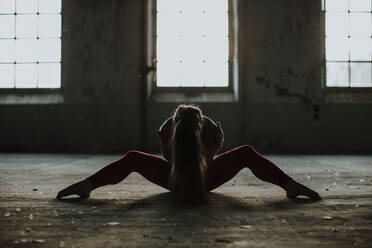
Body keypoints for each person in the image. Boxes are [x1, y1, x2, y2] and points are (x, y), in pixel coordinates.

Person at [57, 104, 321, 203]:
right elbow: (197, 165)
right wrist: (215, 149)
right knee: (247, 153)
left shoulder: (177, 129)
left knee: (133, 158)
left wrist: (165, 149)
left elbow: (178, 164)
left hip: (178, 180)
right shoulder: (190, 130)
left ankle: (87, 185)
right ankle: (290, 185)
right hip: (198, 179)